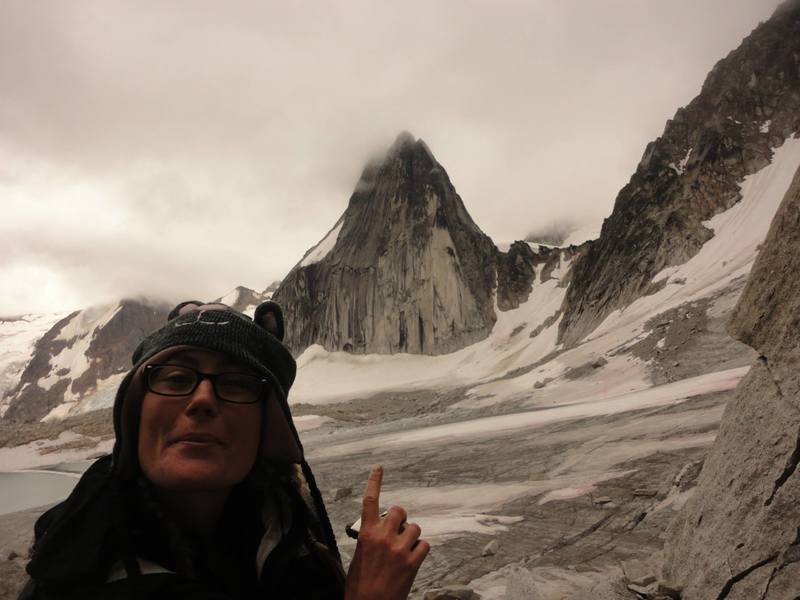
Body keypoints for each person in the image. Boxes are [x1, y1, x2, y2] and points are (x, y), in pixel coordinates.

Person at [19, 300, 429, 599]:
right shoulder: (71, 573)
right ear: (134, 411)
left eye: (236, 384)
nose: (202, 399)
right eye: (176, 378)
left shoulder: (291, 531)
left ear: (269, 428)